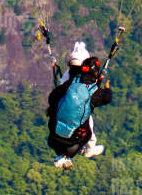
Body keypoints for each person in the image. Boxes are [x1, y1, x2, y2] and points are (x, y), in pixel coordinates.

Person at [47, 40, 113, 168]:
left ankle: (64, 156)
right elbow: (107, 97)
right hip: (74, 134)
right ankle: (88, 148)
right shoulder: (91, 90)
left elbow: (54, 96)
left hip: (55, 132)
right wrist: (107, 89)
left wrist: (52, 109)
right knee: (87, 125)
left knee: (71, 120)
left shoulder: (68, 82)